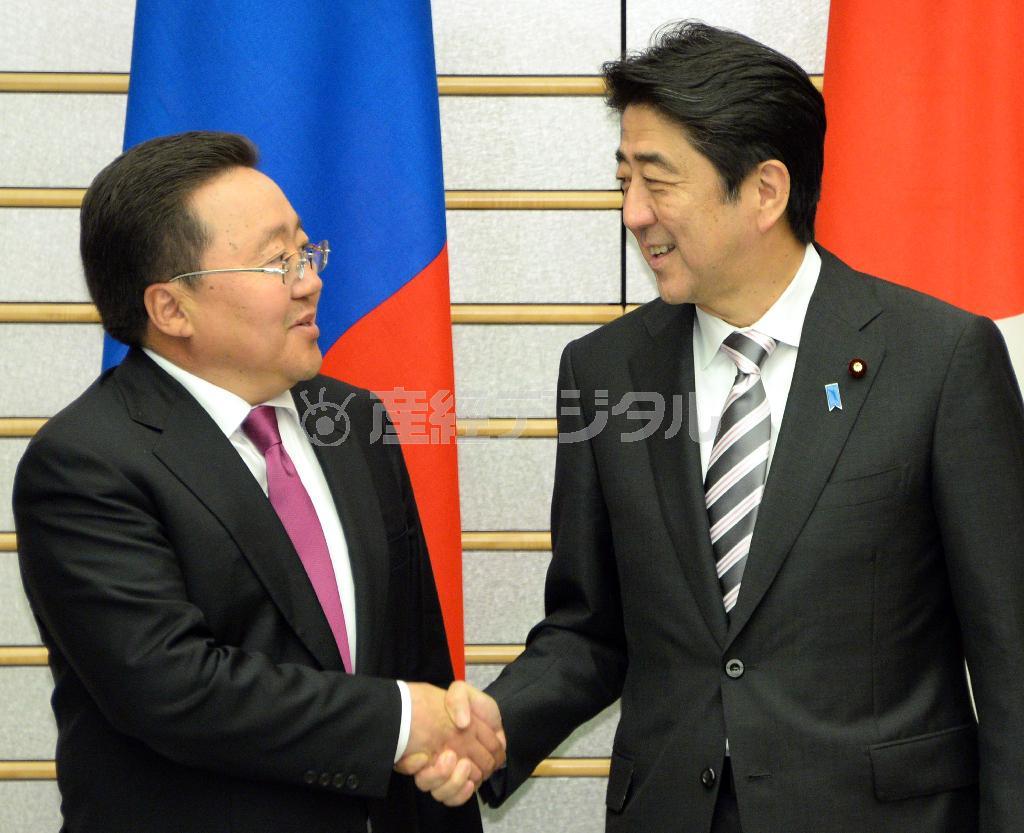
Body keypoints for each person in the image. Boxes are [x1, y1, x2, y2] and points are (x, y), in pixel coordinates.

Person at [411, 20, 1024, 833]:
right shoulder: (604, 370)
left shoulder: (940, 358)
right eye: (622, 178)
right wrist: (495, 726)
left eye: (657, 181)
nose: (632, 212)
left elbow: (1012, 653)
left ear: (765, 190)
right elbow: (590, 630)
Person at [13, 131, 504, 833]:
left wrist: (445, 736)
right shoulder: (85, 464)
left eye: (306, 250)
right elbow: (175, 688)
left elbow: (417, 656)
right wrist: (401, 721)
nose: (311, 280)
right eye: (278, 263)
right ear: (170, 309)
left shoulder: (352, 419)